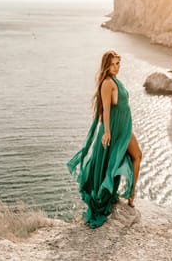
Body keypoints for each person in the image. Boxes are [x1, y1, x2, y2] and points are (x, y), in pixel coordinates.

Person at [67, 50, 142, 228]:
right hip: (115, 130)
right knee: (112, 163)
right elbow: (106, 110)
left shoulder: (116, 80)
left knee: (137, 156)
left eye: (118, 64)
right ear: (106, 65)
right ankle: (128, 196)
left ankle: (131, 195)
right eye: (114, 64)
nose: (117, 67)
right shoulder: (107, 83)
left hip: (124, 128)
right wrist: (107, 132)